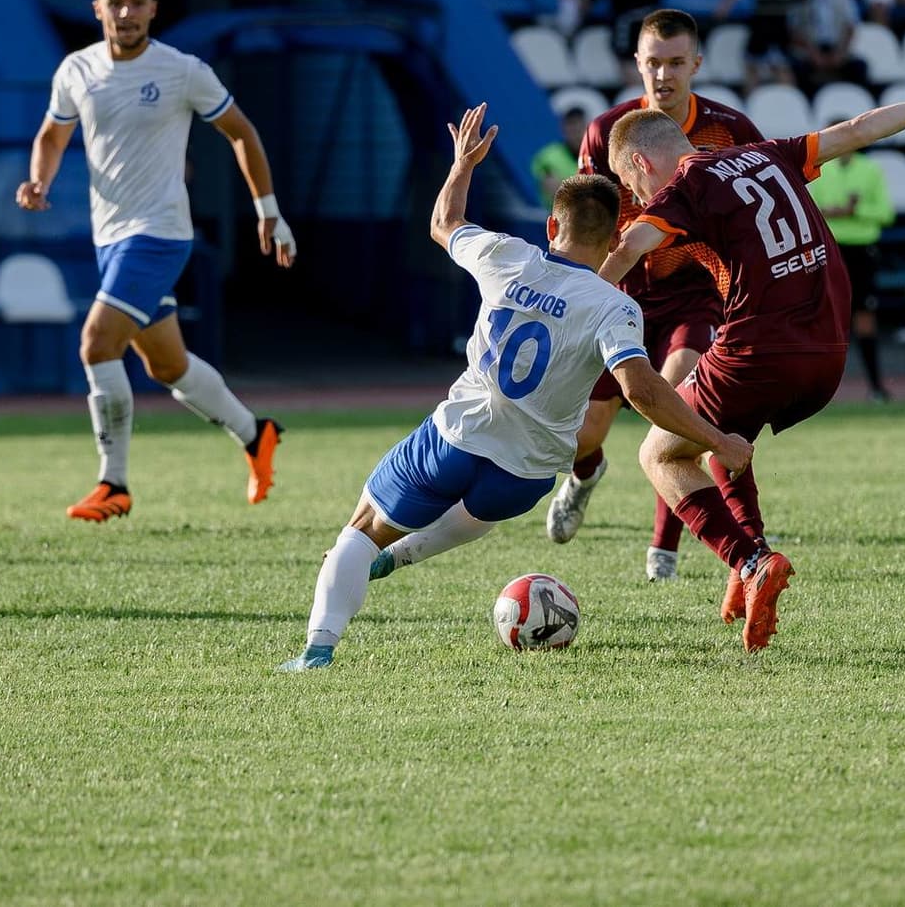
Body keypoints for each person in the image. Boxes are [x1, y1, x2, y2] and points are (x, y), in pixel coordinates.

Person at [279, 109, 753, 671]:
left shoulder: (507, 256)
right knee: (479, 507)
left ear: (553, 227)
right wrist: (715, 439)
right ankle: (400, 557)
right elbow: (643, 390)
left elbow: (443, 221)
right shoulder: (616, 306)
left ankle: (318, 649)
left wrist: (462, 166)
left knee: (359, 532)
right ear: (615, 241)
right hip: (525, 477)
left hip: (458, 437)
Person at [598, 60, 905, 648]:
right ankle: (752, 558)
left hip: (763, 350)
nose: (638, 197)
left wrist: (576, 301)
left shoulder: (683, 186)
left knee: (661, 451)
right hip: (830, 357)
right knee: (718, 432)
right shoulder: (765, 153)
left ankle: (748, 561)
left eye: (631, 186)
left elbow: (634, 241)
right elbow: (859, 129)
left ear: (639, 162)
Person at [16, 0, 297, 520]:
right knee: (166, 367)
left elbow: (241, 131)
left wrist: (269, 211)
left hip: (161, 234)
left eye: (137, 1)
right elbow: (52, 132)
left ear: (153, 8)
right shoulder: (76, 70)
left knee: (97, 343)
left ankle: (112, 484)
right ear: (97, 9)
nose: (126, 12)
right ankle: (255, 433)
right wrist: (39, 180)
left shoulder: (181, 70)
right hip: (111, 239)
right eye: (115, 2)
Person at [544, 9, 763, 582]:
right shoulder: (606, 131)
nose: (663, 75)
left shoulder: (731, 129)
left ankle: (662, 550)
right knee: (584, 436)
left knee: (671, 407)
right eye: (652, 63)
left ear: (696, 63)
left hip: (695, 291)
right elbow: (585, 220)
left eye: (674, 62)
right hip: (619, 295)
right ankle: (585, 474)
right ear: (636, 65)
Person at [807, 147, 893, 400]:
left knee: (864, 318)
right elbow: (807, 209)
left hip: (862, 252)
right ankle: (815, 392)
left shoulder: (870, 170)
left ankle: (876, 387)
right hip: (831, 249)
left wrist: (856, 211)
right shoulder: (818, 171)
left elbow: (886, 213)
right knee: (826, 317)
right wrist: (833, 212)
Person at [531, 105, 586, 200]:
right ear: (563, 129)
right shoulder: (548, 157)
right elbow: (556, 193)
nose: (576, 131)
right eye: (572, 126)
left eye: (580, 126)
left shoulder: (599, 156)